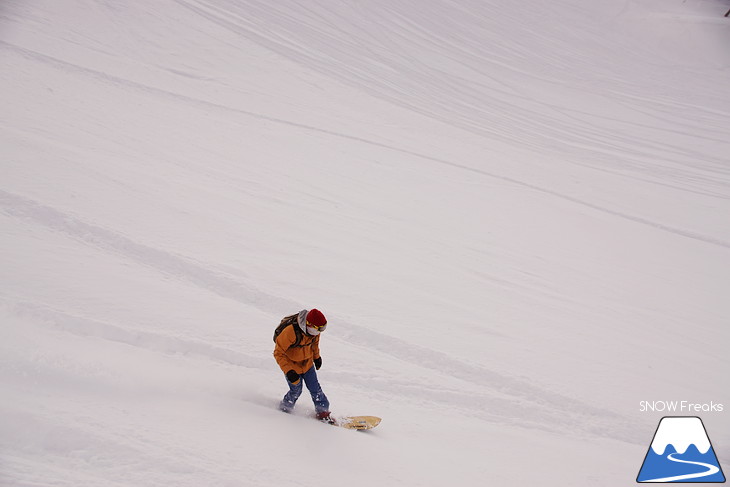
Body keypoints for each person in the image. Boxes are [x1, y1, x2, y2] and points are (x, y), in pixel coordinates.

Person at [273, 308, 333, 423]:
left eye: (322, 329)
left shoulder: (315, 331)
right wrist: (289, 371)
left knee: (315, 389)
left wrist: (316, 357)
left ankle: (323, 412)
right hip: (292, 367)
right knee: (296, 390)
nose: (320, 332)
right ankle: (285, 409)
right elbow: (278, 353)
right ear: (309, 325)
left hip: (307, 364)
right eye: (319, 329)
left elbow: (315, 344)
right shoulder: (290, 332)